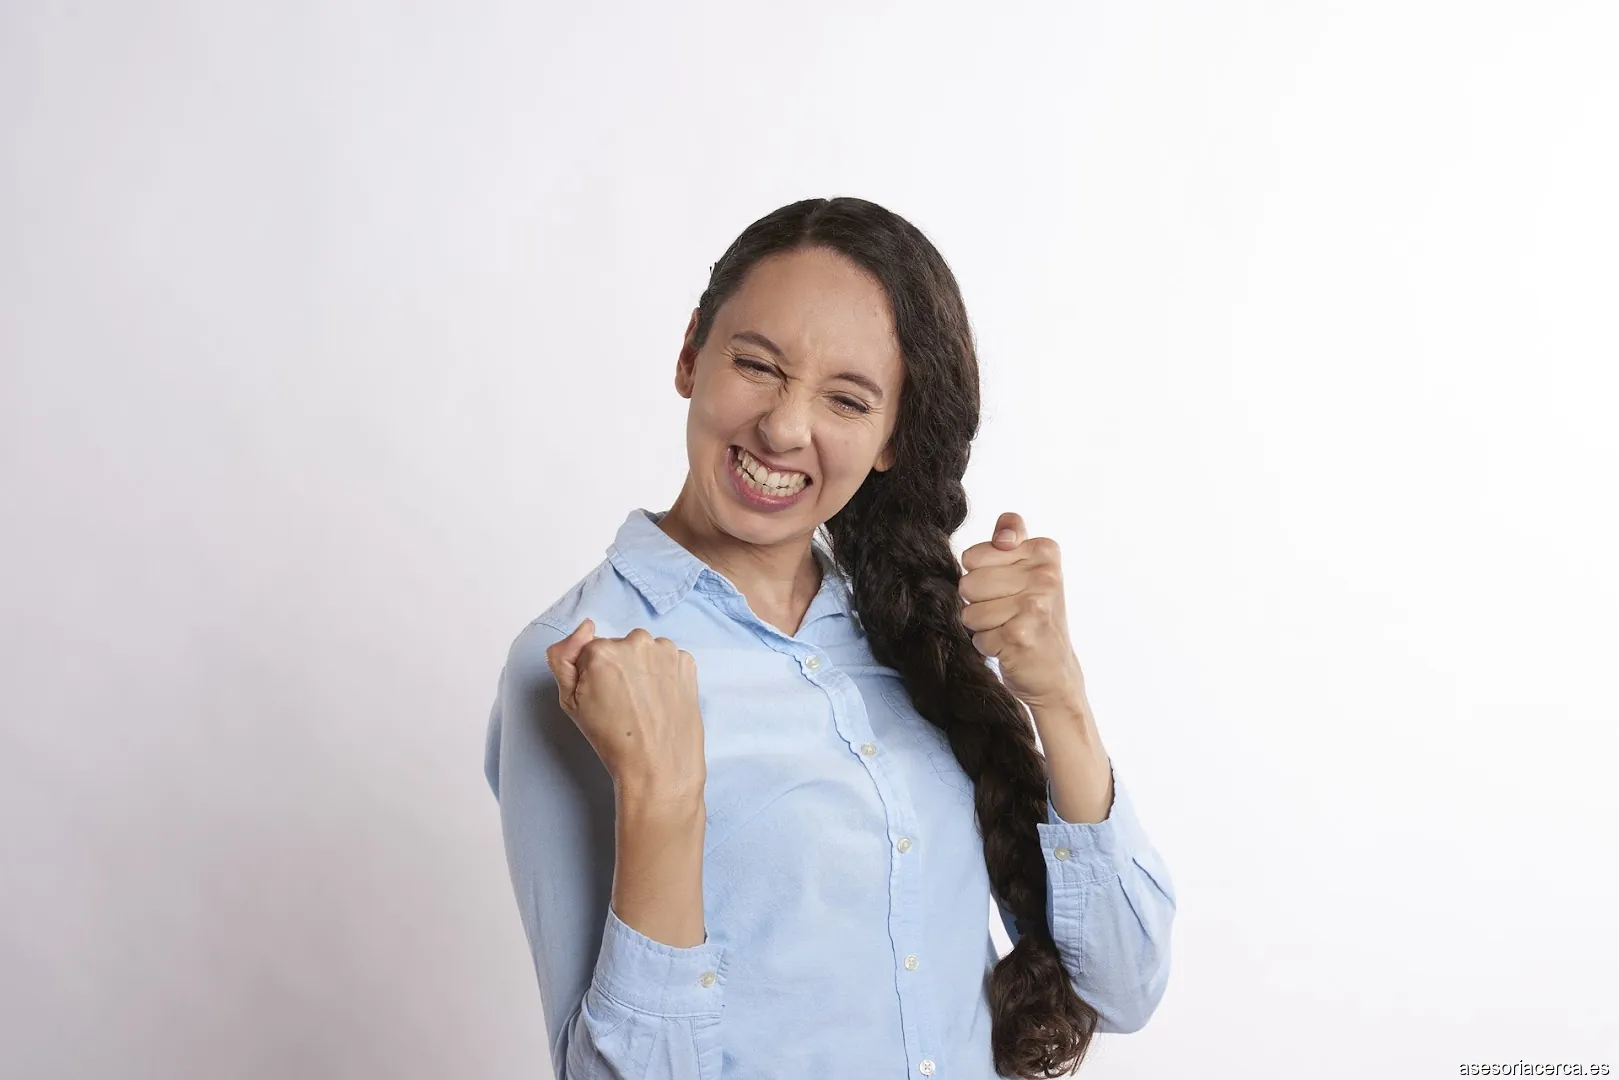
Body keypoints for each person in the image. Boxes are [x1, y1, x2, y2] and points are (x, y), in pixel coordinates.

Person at [482, 196, 1176, 1079]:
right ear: (690, 353)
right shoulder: (576, 666)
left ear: (891, 438)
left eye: (846, 400)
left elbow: (1124, 987)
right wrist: (664, 801)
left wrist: (1059, 699)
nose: (783, 427)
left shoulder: (911, 628)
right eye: (756, 364)